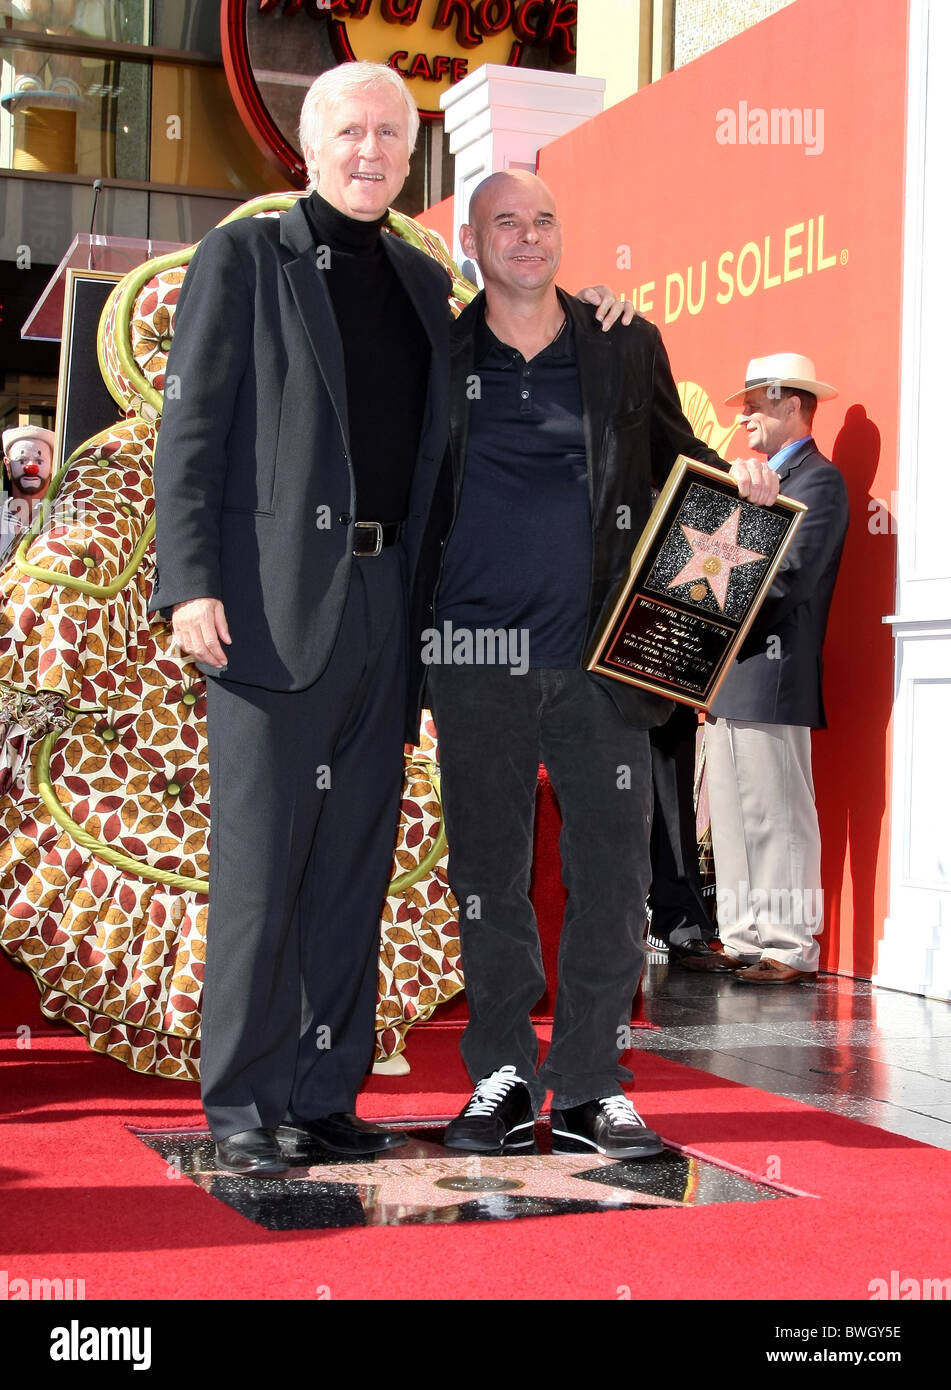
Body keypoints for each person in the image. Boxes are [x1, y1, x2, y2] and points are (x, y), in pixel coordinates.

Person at [151, 65, 629, 1176]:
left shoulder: (422, 282)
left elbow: (519, 344)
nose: (370, 150)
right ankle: (243, 1104)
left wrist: (605, 314)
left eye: (389, 136)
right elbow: (193, 429)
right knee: (263, 871)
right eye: (351, 131)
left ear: (412, 161)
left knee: (351, 868)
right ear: (308, 146)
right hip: (266, 609)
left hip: (391, 607)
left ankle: (322, 1095)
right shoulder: (244, 256)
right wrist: (190, 583)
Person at [427, 170, 779, 1159]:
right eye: (506, 222)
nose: (528, 237)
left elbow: (680, 459)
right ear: (471, 241)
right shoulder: (438, 353)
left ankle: (588, 1085)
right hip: (472, 654)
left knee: (616, 880)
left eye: (543, 220)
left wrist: (743, 477)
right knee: (488, 874)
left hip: (602, 660)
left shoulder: (624, 342)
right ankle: (501, 1075)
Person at [691, 353, 848, 984]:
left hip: (771, 674)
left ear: (793, 405)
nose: (744, 417)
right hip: (731, 672)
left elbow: (787, 579)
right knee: (732, 817)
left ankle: (789, 945)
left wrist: (704, 609)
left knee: (778, 814)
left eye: (756, 405)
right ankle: (744, 937)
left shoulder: (819, 481)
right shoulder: (756, 481)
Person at [1, 425, 55, 560]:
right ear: (7, 465)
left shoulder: (63, 518)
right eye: (21, 460)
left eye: (39, 461)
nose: (31, 467)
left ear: (51, 465)